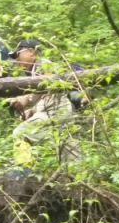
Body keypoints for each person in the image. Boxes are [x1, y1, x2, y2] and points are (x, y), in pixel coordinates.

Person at [7, 39, 79, 168]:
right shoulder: (32, 71)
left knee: (21, 133)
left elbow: (47, 85)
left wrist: (26, 99)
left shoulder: (44, 65)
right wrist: (32, 110)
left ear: (31, 52)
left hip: (56, 111)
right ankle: (82, 179)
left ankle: (24, 171)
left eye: (18, 54)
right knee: (69, 152)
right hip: (56, 111)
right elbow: (46, 96)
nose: (16, 59)